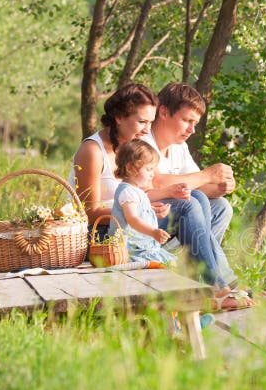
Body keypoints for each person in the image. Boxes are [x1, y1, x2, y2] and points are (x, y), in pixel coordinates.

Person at [144, 83, 255, 309]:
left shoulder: (178, 147)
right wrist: (207, 174)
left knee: (221, 206)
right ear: (163, 112)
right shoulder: (144, 142)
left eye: (195, 123)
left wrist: (221, 186)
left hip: (172, 223)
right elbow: (157, 182)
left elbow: (197, 184)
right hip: (147, 222)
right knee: (193, 203)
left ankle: (199, 279)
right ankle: (218, 286)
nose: (192, 129)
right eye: (187, 121)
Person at [68, 83, 165, 240]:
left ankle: (199, 262)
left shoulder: (135, 147)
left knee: (202, 204)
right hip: (97, 231)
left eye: (151, 122)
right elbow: (88, 213)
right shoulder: (92, 150)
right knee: (187, 208)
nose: (147, 130)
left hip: (129, 223)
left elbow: (142, 191)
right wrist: (140, 211)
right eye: (142, 122)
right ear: (119, 117)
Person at [109, 140, 177, 265]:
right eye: (149, 169)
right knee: (170, 264)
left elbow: (139, 213)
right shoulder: (127, 192)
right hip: (132, 250)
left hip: (143, 247)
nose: (152, 174)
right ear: (130, 168)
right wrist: (153, 232)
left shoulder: (136, 191)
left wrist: (153, 211)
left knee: (172, 263)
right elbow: (132, 219)